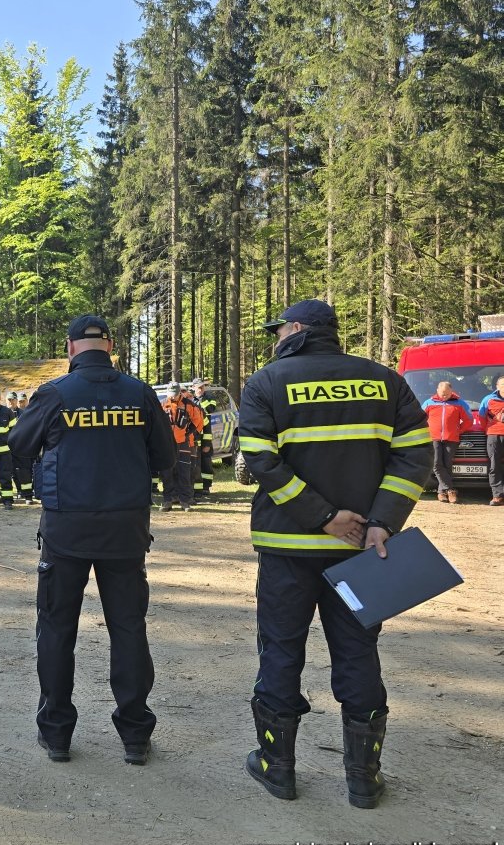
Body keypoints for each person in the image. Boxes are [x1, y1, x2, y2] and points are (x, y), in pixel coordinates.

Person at [238, 299, 432, 808]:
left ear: (297, 328)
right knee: (358, 654)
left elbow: (260, 459)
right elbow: (415, 455)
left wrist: (320, 517)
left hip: (289, 547)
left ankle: (276, 767)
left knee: (280, 650)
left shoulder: (267, 382)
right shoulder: (385, 381)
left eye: (277, 328)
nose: (275, 337)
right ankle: (363, 780)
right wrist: (382, 523)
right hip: (362, 550)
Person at [11, 317, 174, 764]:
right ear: (111, 346)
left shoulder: (56, 393)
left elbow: (18, 443)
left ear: (70, 348)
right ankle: (135, 734)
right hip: (125, 530)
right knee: (128, 628)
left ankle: (58, 732)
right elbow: (165, 456)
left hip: (67, 530)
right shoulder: (139, 393)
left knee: (57, 628)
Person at [421, 381, 473, 503]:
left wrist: (458, 431)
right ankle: (450, 489)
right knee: (436, 464)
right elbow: (419, 418)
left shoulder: (460, 403)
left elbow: (468, 420)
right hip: (433, 438)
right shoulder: (429, 403)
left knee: (447, 465)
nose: (445, 396)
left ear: (451, 391)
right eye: (443, 393)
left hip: (452, 439)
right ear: (437, 390)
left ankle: (441, 492)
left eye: (447, 394)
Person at [159, 382, 203, 512]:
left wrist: (190, 433)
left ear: (179, 393)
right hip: (166, 443)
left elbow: (199, 421)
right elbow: (156, 421)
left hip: (183, 442)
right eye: (171, 395)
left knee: (184, 472)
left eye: (175, 395)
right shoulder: (161, 404)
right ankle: (168, 501)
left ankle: (185, 501)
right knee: (166, 473)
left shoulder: (189, 405)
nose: (173, 397)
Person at [478, 374, 504, 505]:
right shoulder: (488, 399)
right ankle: (497, 496)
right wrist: (489, 430)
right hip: (494, 436)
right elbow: (482, 418)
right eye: (502, 385)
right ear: (497, 386)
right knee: (494, 466)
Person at [189, 379, 216, 497]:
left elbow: (210, 410)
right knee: (196, 464)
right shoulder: (189, 399)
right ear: (193, 387)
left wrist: (201, 399)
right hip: (195, 438)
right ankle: (197, 489)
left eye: (202, 387)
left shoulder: (209, 397)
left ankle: (206, 486)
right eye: (198, 387)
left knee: (206, 463)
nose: (201, 389)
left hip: (206, 433)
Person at [11, 392, 35, 503]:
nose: (20, 403)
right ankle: (19, 491)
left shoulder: (26, 413)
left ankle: (28, 494)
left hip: (24, 446)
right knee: (12, 471)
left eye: (22, 401)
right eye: (19, 401)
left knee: (25, 470)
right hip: (9, 447)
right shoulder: (6, 413)